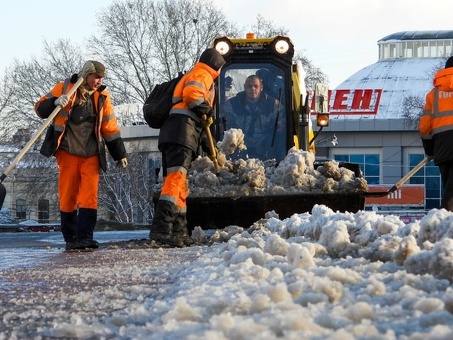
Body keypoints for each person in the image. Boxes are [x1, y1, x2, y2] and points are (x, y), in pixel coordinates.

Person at [35, 60, 128, 251]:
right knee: (68, 195)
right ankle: (71, 238)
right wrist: (55, 102)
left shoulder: (103, 97)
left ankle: (85, 237)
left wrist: (119, 154)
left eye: (102, 78)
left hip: (91, 154)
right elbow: (39, 107)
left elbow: (109, 128)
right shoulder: (66, 87)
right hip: (67, 151)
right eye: (96, 77)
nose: (99, 81)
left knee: (89, 196)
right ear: (87, 75)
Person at [150, 48, 226, 248]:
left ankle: (179, 231)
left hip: (179, 134)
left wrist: (212, 150)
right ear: (216, 66)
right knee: (175, 182)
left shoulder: (198, 73)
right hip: (181, 134)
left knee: (180, 184)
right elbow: (192, 96)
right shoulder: (203, 73)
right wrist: (206, 110)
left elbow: (198, 121)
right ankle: (161, 228)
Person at [419, 56, 453, 211]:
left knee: (448, 185)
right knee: (450, 196)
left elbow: (425, 127)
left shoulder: (433, 95)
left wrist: (430, 150)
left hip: (442, 148)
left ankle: (445, 224)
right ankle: (444, 217)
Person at [224, 74, 284, 159]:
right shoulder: (233, 104)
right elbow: (224, 124)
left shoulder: (272, 104)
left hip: (266, 149)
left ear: (261, 87)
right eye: (249, 86)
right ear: (245, 87)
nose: (253, 89)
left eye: (256, 86)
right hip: (239, 149)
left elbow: (282, 125)